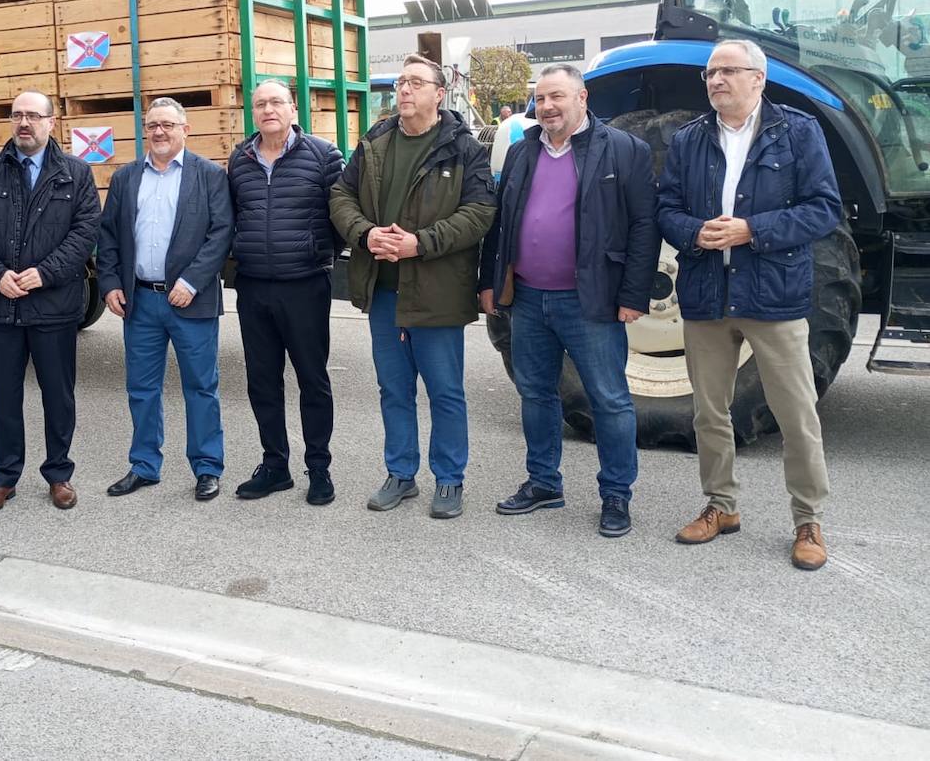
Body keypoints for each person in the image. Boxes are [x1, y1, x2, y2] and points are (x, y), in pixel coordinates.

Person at [657, 38, 841, 570]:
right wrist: (696, 233)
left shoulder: (798, 131)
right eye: (710, 74)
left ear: (757, 79)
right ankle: (721, 505)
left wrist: (750, 230)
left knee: (796, 412)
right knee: (709, 412)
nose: (716, 81)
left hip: (773, 295)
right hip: (707, 294)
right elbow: (666, 207)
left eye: (728, 71)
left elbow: (823, 209)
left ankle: (808, 519)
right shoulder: (690, 139)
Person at [478, 64, 659, 537]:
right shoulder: (522, 152)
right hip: (530, 299)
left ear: (583, 97)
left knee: (609, 400)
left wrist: (633, 293)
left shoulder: (624, 149)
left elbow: (644, 226)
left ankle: (616, 494)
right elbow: (500, 223)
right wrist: (490, 281)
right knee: (536, 393)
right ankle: (543, 484)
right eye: (540, 99)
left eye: (556, 96)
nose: (547, 106)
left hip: (591, 302)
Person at [330, 54, 497, 519]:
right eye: (401, 82)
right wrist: (366, 233)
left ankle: (449, 480)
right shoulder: (375, 141)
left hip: (437, 290)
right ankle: (401, 473)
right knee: (393, 388)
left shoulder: (463, 147)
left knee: (445, 391)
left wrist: (419, 245)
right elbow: (341, 195)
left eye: (416, 82)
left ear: (439, 94)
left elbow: (481, 211)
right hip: (383, 289)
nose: (405, 90)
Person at [0, 91, 100, 515]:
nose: (24, 123)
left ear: (52, 123)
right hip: (3, 306)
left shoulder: (75, 173)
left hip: (54, 306)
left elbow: (85, 230)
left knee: (58, 395)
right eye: (17, 115)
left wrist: (46, 272)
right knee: (3, 397)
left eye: (33, 116)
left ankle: (59, 473)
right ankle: (3, 478)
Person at [99, 98, 234, 502]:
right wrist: (109, 284)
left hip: (190, 300)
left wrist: (192, 281)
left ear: (185, 129)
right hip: (140, 301)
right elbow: (108, 236)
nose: (159, 132)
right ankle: (144, 465)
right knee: (141, 388)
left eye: (168, 125)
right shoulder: (125, 178)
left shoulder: (209, 175)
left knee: (201, 387)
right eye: (153, 125)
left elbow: (221, 232)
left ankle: (207, 467)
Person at [227, 80, 344, 505]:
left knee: (313, 381)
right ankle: (275, 465)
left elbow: (341, 215)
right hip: (254, 287)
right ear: (253, 113)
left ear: (294, 109)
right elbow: (232, 216)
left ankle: (319, 468)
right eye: (260, 104)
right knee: (262, 381)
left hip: (305, 285)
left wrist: (319, 254)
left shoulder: (323, 155)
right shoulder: (239, 159)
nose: (268, 109)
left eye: (277, 102)